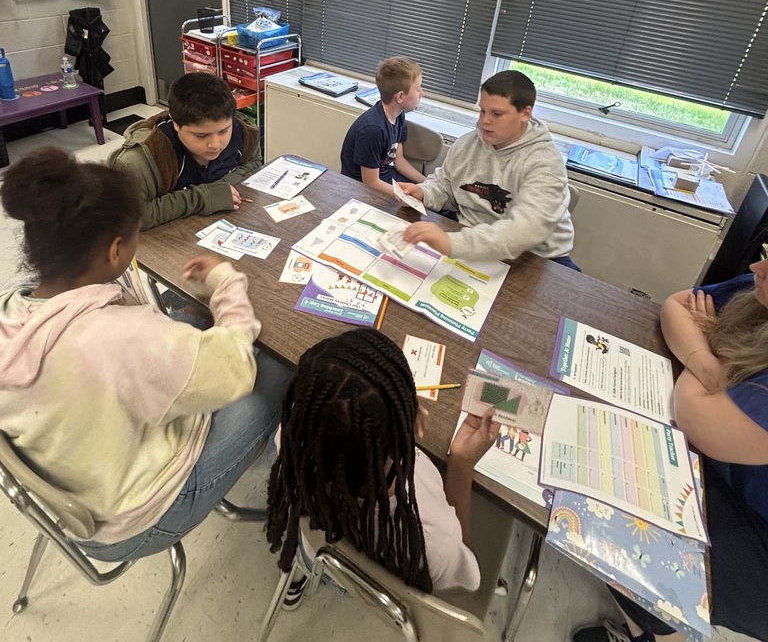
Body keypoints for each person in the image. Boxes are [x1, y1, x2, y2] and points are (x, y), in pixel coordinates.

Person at [0, 147, 290, 560]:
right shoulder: (123, 335)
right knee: (280, 365)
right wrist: (226, 283)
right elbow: (233, 371)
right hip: (138, 518)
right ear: (116, 250)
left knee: (187, 320)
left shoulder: (10, 308)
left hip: (75, 490)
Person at [575, 256, 768, 642]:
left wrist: (714, 352)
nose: (754, 267)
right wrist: (713, 365)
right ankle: (646, 625)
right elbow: (676, 306)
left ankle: (657, 632)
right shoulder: (758, 292)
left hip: (759, 543)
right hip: (729, 474)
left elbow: (693, 413)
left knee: (627, 523)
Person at [266, 327, 499, 602]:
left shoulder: (293, 443)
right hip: (381, 586)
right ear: (410, 423)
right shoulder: (434, 537)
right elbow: (463, 565)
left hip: (323, 556)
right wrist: (461, 464)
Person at [401, 70, 576, 266]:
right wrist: (424, 193)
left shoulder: (545, 163)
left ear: (525, 114)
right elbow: (446, 186)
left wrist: (452, 243)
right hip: (470, 234)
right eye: (482, 111)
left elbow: (524, 231)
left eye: (496, 114)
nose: (485, 121)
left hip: (534, 258)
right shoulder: (467, 144)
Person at [111, 72, 263, 229]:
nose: (215, 144)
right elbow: (132, 216)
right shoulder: (140, 159)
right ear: (176, 124)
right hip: (168, 236)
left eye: (224, 131)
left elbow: (255, 163)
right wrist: (202, 197)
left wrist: (218, 188)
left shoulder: (244, 132)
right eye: (201, 135)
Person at [340, 56, 426, 196]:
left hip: (388, 180)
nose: (422, 93)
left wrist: (426, 184)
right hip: (363, 191)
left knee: (433, 201)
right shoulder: (373, 130)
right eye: (418, 89)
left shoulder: (399, 116)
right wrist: (407, 197)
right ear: (400, 97)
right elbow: (370, 183)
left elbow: (398, 160)